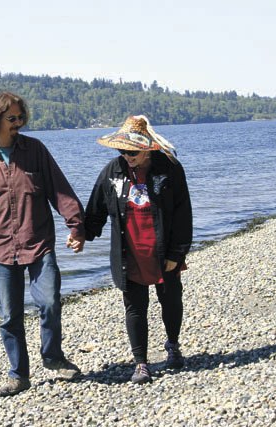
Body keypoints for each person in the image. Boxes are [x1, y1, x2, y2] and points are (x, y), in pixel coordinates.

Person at [0, 92, 86, 397]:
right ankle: (19, 375)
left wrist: (76, 226)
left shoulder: (35, 151)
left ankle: (53, 358)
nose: (19, 123)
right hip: (2, 250)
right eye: (13, 118)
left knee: (48, 301)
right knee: (10, 317)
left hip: (39, 243)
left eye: (21, 118)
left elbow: (61, 191)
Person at [84, 115, 192, 384]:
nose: (127, 155)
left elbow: (183, 215)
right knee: (134, 307)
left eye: (132, 151)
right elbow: (95, 210)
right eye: (122, 150)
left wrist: (177, 254)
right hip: (128, 254)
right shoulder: (112, 171)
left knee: (171, 301)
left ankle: (173, 345)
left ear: (147, 148)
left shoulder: (170, 169)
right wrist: (81, 234)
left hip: (163, 252)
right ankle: (141, 363)